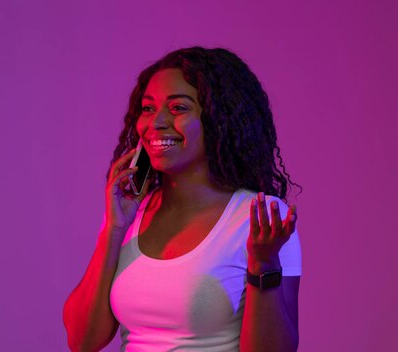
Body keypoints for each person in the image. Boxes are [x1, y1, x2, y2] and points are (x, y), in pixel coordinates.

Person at [63, 46, 302, 352]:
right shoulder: (133, 214)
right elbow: (82, 341)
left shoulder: (259, 217)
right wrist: (113, 229)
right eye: (148, 109)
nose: (157, 122)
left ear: (218, 119)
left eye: (178, 108)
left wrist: (264, 263)